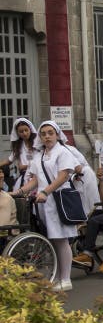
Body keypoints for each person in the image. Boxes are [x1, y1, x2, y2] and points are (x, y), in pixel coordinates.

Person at [11, 121, 79, 291]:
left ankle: (66, 279)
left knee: (61, 239)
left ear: (57, 134)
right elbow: (35, 180)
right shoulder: (39, 155)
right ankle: (56, 275)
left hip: (58, 200)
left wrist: (46, 192)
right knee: (51, 240)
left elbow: (63, 176)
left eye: (50, 133)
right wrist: (17, 192)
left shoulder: (63, 152)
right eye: (44, 134)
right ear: (40, 137)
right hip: (43, 203)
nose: (47, 136)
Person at [0, 118, 38, 189]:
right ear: (17, 133)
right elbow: (9, 160)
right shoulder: (19, 146)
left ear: (30, 129)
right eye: (21, 131)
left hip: (37, 176)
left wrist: (25, 166)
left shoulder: (37, 143)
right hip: (24, 177)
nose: (24, 133)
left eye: (26, 130)